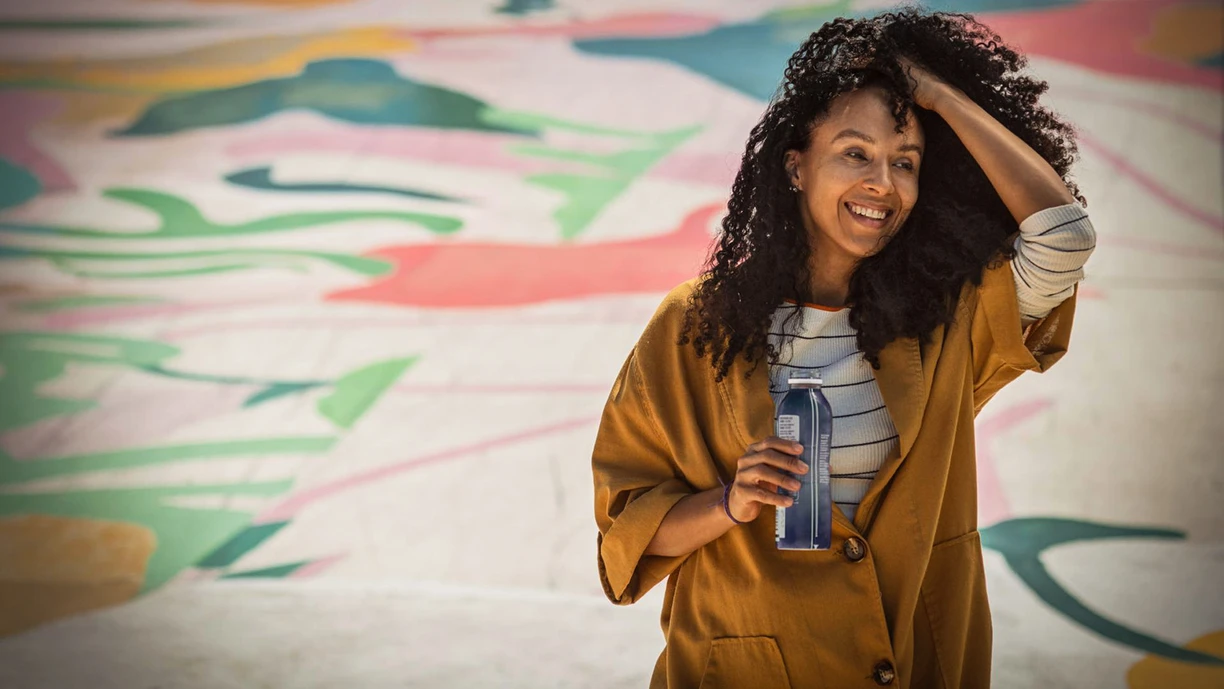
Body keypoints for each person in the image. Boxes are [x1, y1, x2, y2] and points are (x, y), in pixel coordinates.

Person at [591, 8, 1096, 689]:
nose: (882, 184)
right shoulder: (693, 326)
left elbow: (1063, 235)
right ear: (796, 166)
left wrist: (940, 95)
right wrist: (731, 502)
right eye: (856, 152)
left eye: (906, 162)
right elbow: (625, 535)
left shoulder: (943, 324)